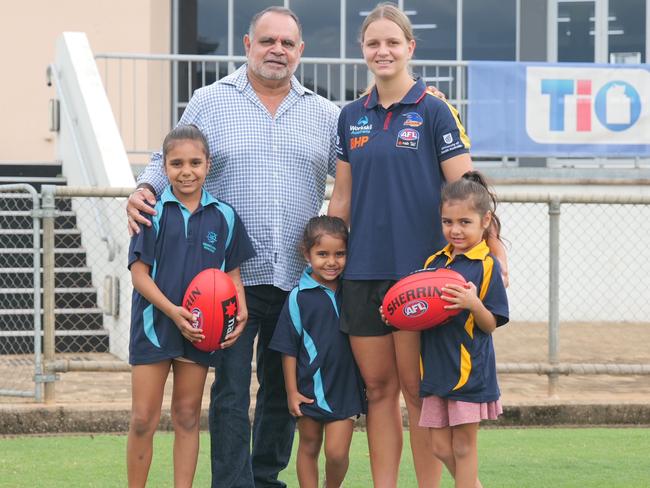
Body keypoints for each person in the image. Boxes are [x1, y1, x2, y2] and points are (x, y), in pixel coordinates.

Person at [126, 7, 340, 487]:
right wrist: (142, 190)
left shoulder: (326, 114)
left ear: (300, 51)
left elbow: (351, 178)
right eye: (267, 41)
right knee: (229, 392)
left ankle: (265, 478)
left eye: (287, 43)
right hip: (226, 281)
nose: (277, 51)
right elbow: (169, 160)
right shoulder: (209, 100)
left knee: (282, 390)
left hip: (293, 275)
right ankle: (231, 483)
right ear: (247, 44)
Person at [327, 3, 508, 487]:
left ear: (410, 47)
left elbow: (468, 189)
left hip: (421, 279)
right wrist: (325, 259)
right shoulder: (350, 116)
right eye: (373, 43)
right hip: (363, 274)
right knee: (378, 390)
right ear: (362, 50)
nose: (382, 51)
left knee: (416, 392)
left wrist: (496, 249)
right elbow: (341, 197)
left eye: (392, 42)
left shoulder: (434, 108)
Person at [126, 125, 254, 488]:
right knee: (142, 419)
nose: (187, 171)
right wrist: (173, 312)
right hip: (155, 326)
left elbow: (231, 272)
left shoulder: (224, 216)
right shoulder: (150, 212)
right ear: (163, 167)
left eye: (195, 162)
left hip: (200, 328)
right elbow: (139, 276)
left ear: (208, 165)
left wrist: (239, 307)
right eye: (177, 163)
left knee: (186, 416)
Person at [419, 171, 509, 487]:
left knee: (463, 446)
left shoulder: (487, 266)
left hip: (469, 370)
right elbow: (421, 313)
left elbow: (490, 324)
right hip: (436, 368)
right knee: (440, 446)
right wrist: (397, 314)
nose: (455, 230)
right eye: (447, 222)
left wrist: (473, 303)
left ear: (485, 221)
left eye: (464, 222)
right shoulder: (434, 263)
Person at [269, 216, 366, 488]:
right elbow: (288, 348)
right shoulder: (298, 296)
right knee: (309, 447)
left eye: (340, 254)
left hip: (346, 389)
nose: (331, 261)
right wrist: (292, 391)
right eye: (322, 254)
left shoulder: (353, 289)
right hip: (309, 389)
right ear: (306, 254)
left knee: (337, 453)